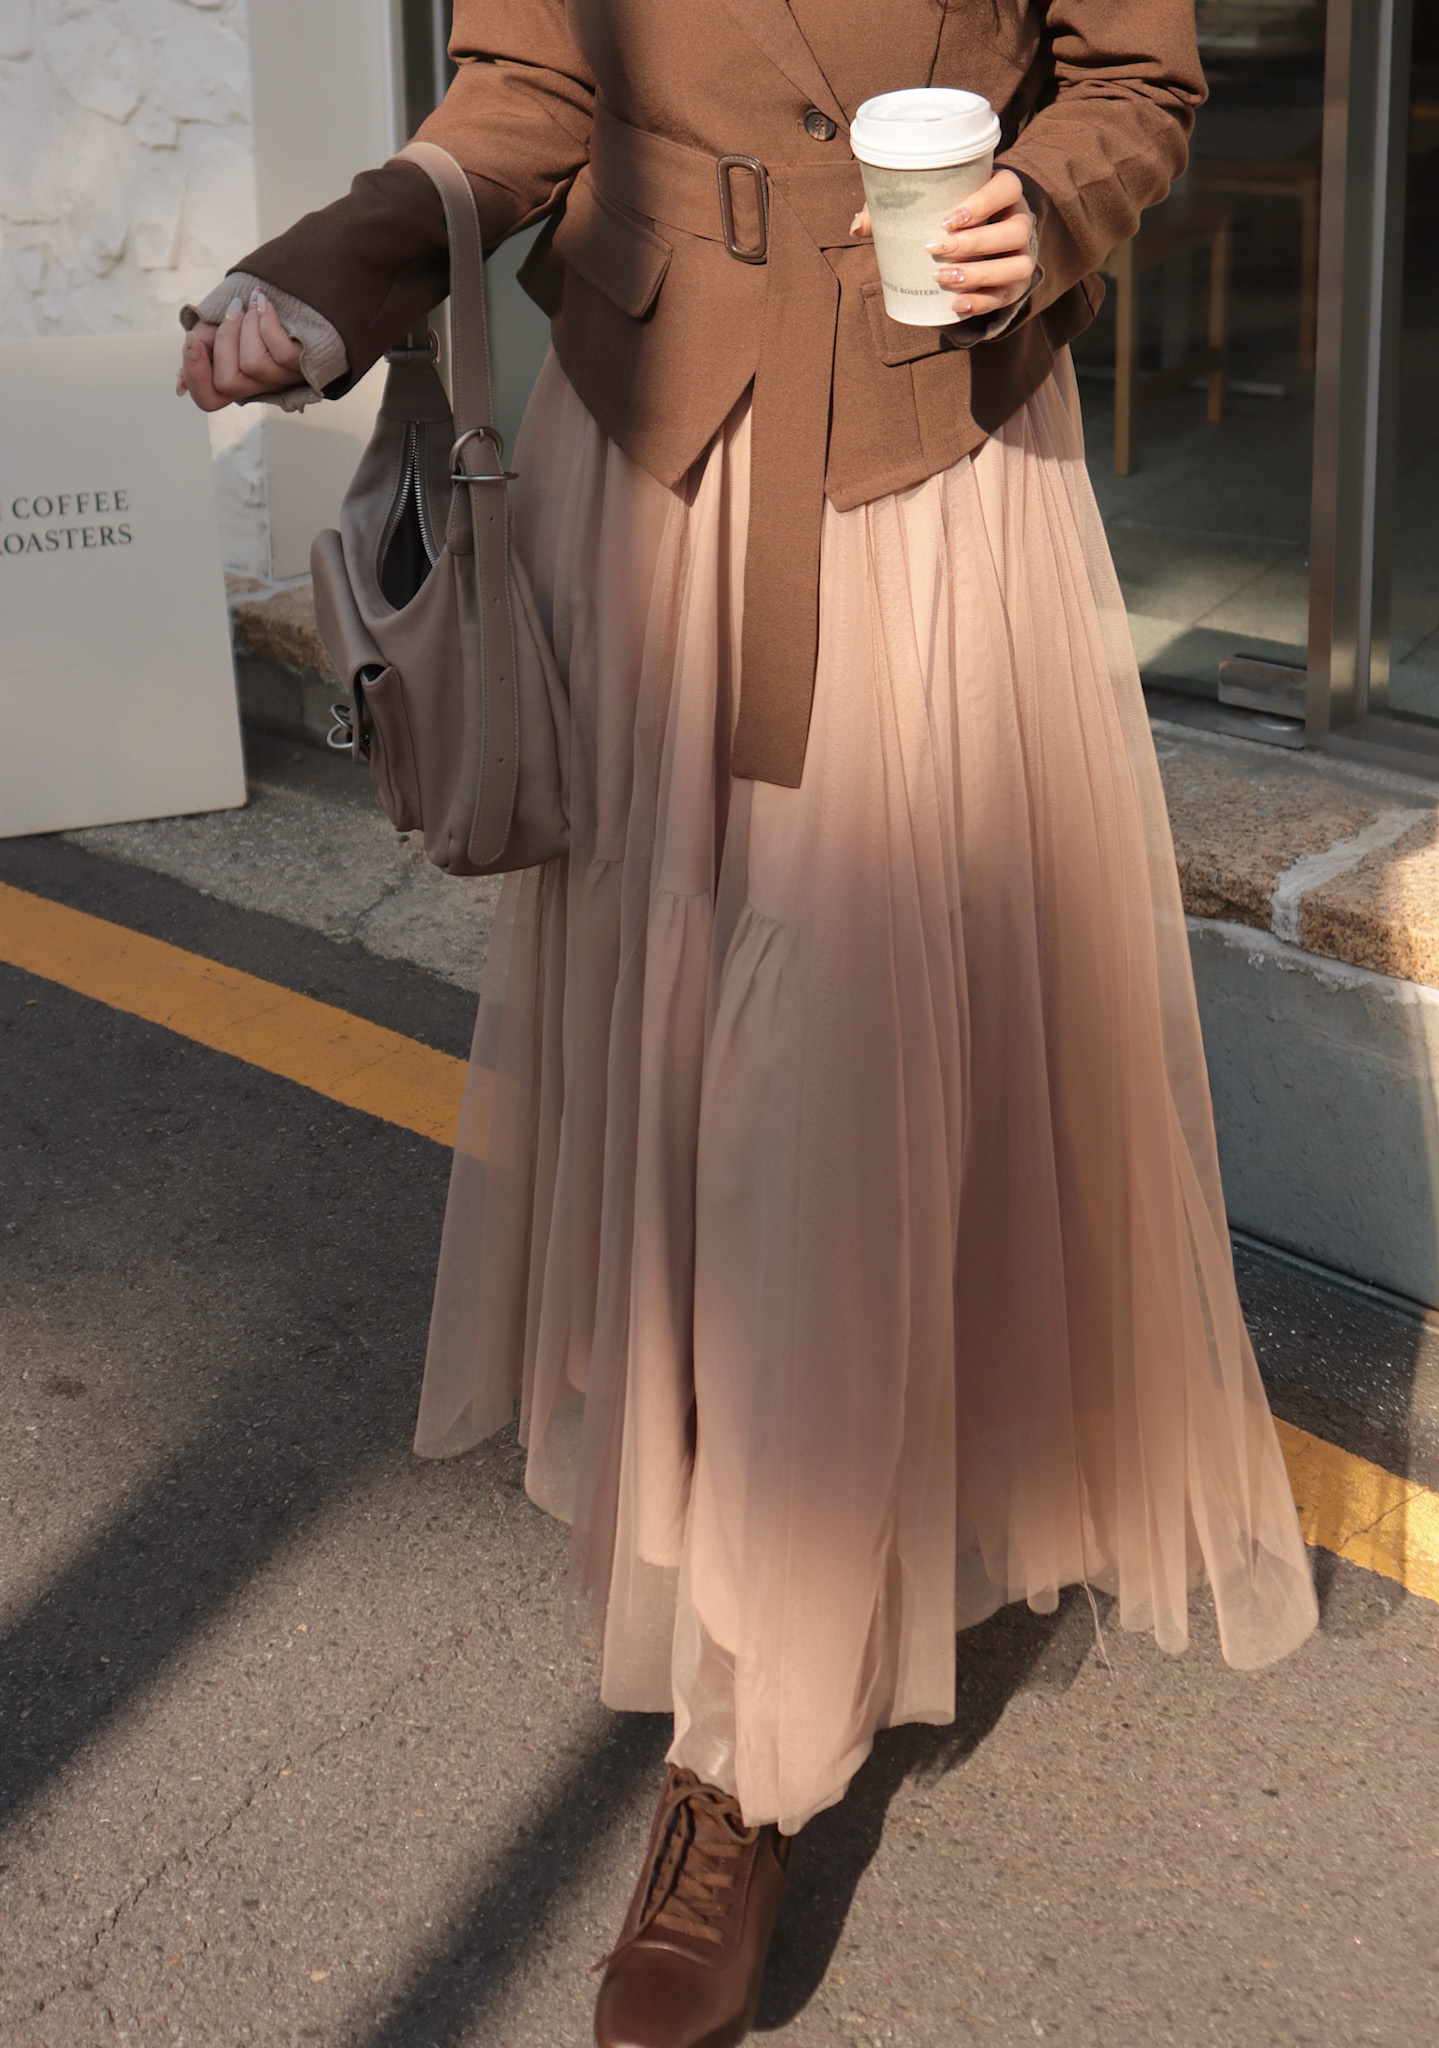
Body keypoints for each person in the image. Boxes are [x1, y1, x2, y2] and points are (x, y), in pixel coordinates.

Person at [181, 4, 1319, 2043]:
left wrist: (1043, 207)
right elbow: (533, 86)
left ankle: (747, 1757)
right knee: (699, 1080)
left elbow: (1135, 78)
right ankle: (762, 1587)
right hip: (648, 477)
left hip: (918, 482)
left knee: (819, 1089)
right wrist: (327, 275)